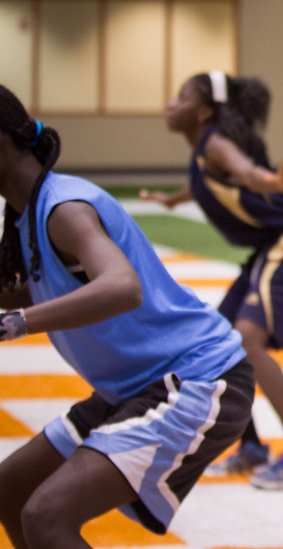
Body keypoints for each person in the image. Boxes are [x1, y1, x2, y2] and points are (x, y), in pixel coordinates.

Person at [0, 85, 254, 548]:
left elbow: (122, 288)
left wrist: (17, 322)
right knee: (11, 489)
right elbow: (33, 286)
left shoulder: (63, 206)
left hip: (197, 379)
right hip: (136, 387)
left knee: (45, 515)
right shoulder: (26, 215)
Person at [141, 72, 283, 489]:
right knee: (221, 343)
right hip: (274, 245)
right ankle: (250, 446)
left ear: (205, 111)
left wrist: (278, 182)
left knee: (247, 338)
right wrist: (170, 200)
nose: (170, 105)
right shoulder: (202, 151)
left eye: (181, 97)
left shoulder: (216, 143)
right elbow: (203, 184)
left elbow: (247, 174)